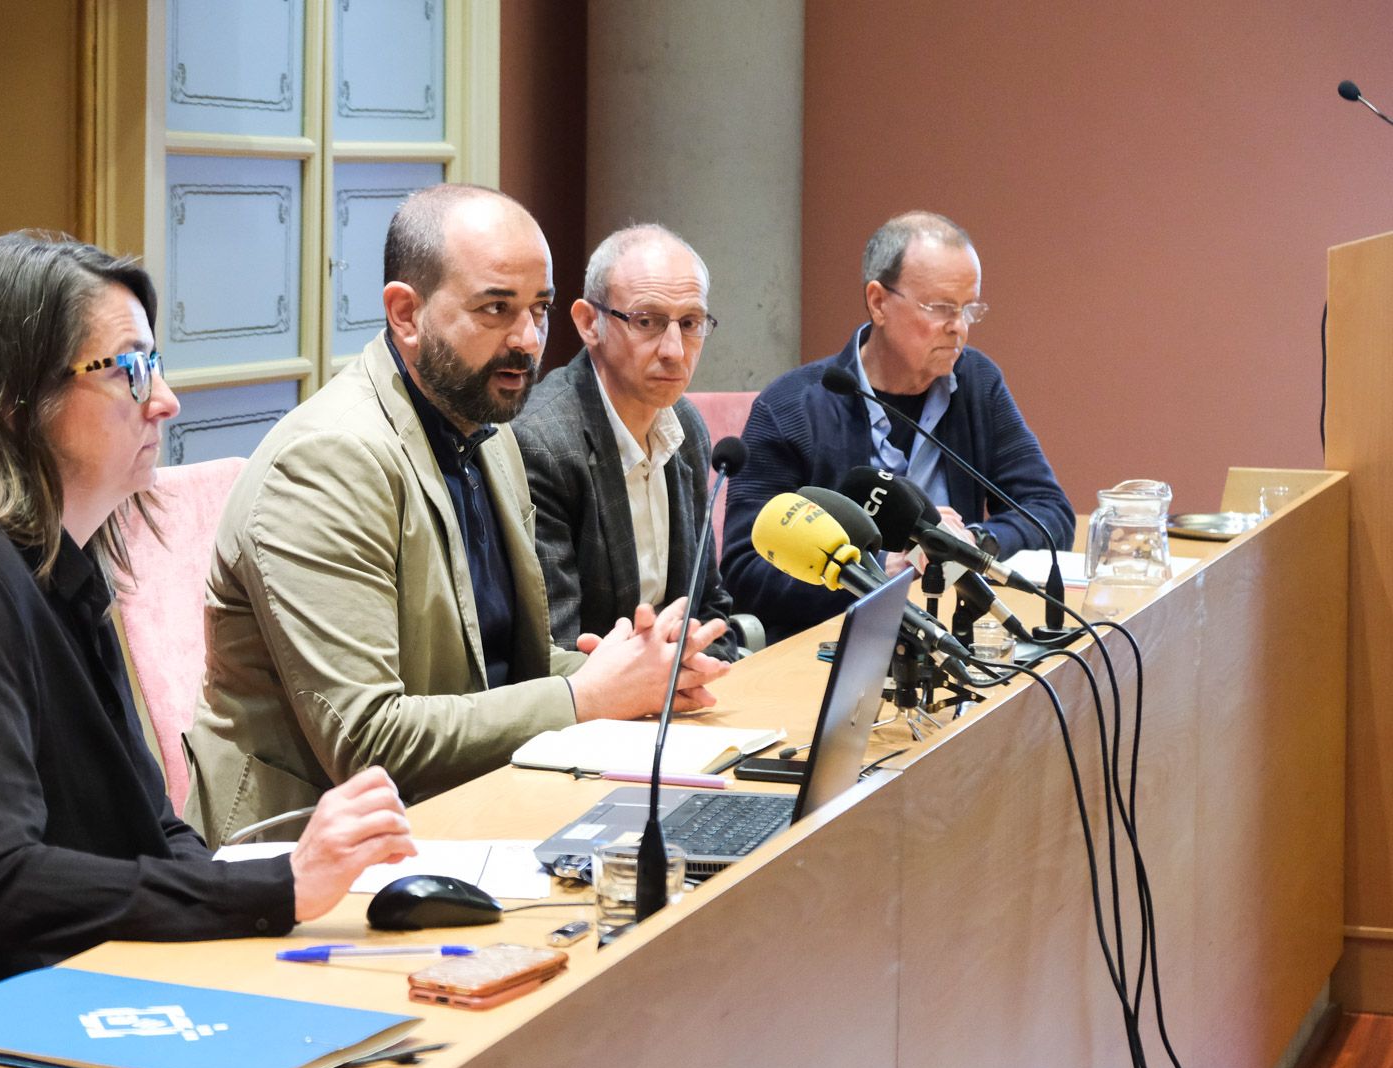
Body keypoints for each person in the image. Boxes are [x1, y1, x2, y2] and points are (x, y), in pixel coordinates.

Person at [0, 232, 416, 1022]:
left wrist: (248, 915)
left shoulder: (59, 562)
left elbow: (150, 821)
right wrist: (273, 887)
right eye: (130, 368)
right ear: (19, 401)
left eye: (154, 364)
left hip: (71, 984)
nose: (165, 399)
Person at [184, 185, 730, 845]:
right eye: (496, 309)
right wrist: (587, 696)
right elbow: (367, 741)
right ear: (405, 313)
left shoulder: (488, 433)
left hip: (469, 810)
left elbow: (499, 672)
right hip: (306, 855)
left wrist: (637, 671)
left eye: (540, 309)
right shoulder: (326, 464)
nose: (528, 341)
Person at [721, 211, 1074, 642]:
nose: (958, 328)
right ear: (878, 302)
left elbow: (1047, 509)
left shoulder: (977, 383)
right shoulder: (791, 408)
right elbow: (745, 570)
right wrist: (872, 574)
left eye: (968, 309)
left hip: (956, 632)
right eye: (941, 308)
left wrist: (971, 544)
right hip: (835, 646)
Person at [513, 224, 738, 660]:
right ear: (588, 323)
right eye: (648, 322)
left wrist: (705, 668)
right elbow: (556, 648)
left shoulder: (685, 427)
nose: (674, 350)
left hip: (679, 695)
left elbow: (710, 608)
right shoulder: (542, 444)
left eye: (690, 323)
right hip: (591, 710)